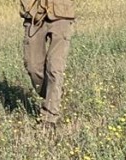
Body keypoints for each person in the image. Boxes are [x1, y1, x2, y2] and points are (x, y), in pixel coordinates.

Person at [20, 0, 75, 130]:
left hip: (61, 13)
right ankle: (54, 94)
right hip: (34, 13)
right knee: (33, 67)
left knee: (55, 68)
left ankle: (49, 118)